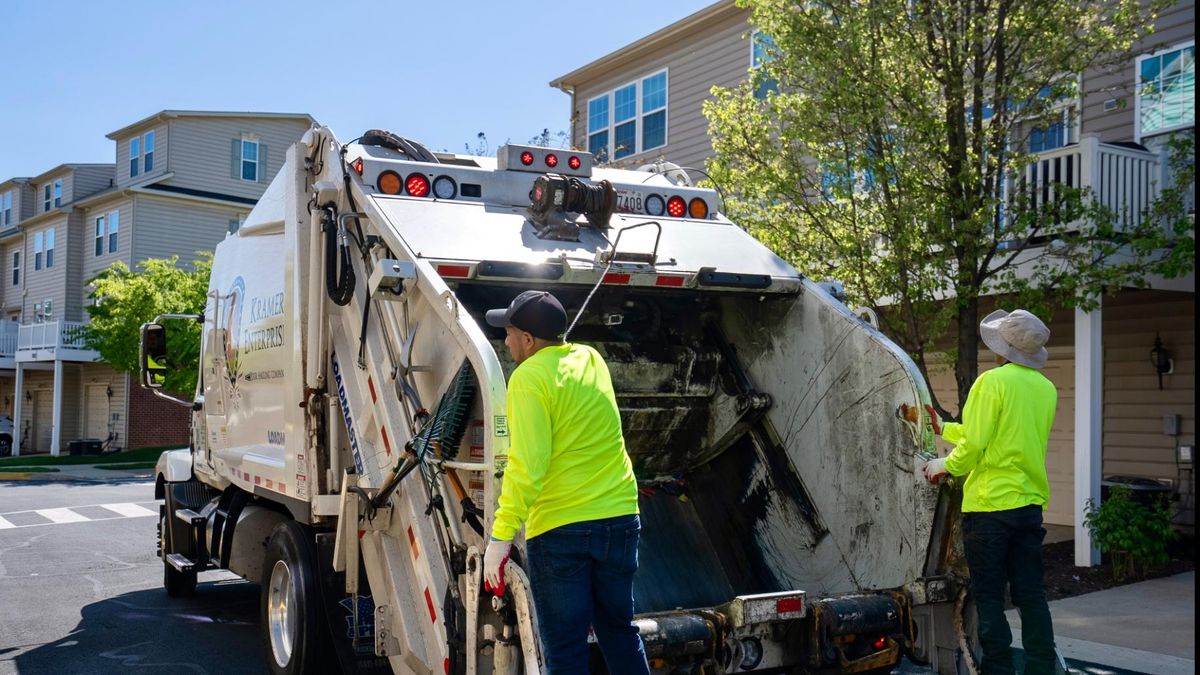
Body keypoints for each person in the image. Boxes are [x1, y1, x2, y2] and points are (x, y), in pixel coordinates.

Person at [481, 289, 650, 675]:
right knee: (620, 633)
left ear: (528, 339)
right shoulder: (591, 359)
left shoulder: (527, 378)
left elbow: (529, 465)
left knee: (565, 648)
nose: (505, 342)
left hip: (562, 532)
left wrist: (501, 536)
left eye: (509, 333)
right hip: (621, 519)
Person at [923, 309, 1060, 675]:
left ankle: (998, 669)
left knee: (989, 598)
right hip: (1029, 505)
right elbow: (998, 434)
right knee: (1032, 596)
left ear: (1004, 348)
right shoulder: (1046, 388)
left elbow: (978, 443)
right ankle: (1042, 668)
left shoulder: (991, 382)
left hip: (989, 508)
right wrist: (945, 429)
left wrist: (944, 466)